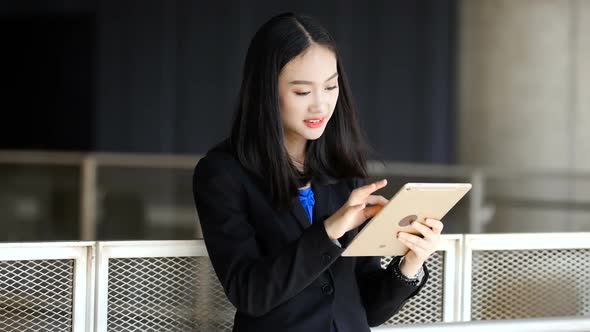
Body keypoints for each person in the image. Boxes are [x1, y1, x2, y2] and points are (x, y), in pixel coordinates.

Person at [192, 12, 443, 332]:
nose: (321, 105)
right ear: (265, 91)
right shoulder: (223, 174)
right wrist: (328, 232)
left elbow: (366, 309)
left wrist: (409, 264)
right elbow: (250, 293)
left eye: (330, 87)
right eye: (302, 92)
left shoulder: (343, 169)